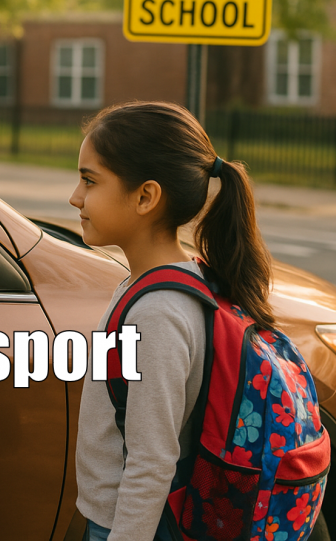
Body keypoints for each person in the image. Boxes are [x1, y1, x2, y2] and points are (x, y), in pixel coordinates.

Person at [69, 101, 273, 541]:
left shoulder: (157, 314)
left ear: (145, 196)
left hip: (132, 527)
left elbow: (152, 460)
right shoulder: (162, 282)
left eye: (89, 180)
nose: (75, 197)